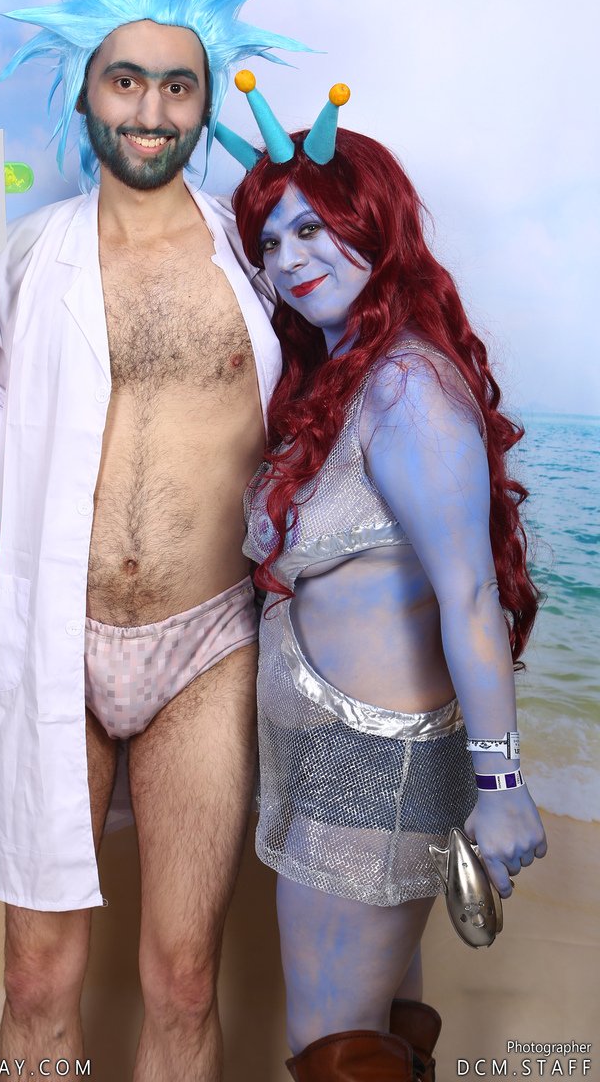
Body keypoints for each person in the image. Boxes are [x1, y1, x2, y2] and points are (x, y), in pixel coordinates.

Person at [0, 0, 307, 1078]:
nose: (149, 109)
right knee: (37, 975)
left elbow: (332, 412)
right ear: (86, 93)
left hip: (205, 645)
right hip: (59, 639)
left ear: (206, 102)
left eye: (176, 86)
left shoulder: (256, 257)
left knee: (181, 977)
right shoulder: (30, 257)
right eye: (125, 81)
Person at [219, 75, 548, 1080]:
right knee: (380, 1036)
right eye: (269, 241)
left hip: (374, 775)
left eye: (313, 228)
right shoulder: (343, 379)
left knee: (332, 1053)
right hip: (333, 770)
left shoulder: (405, 385)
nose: (289, 259)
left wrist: (500, 785)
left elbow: (469, 595)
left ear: (376, 224)